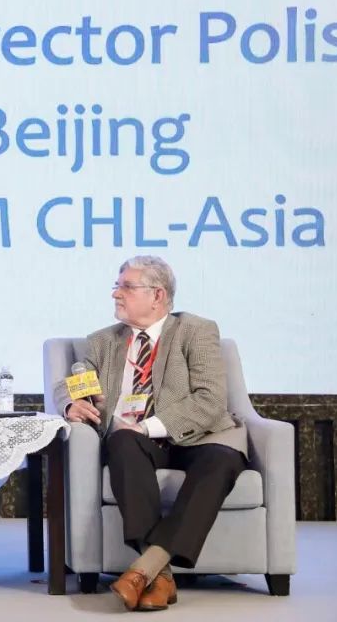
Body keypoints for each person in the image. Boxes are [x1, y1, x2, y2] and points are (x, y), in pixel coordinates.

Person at [53, 255, 247, 612]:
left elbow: (209, 400)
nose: (116, 294)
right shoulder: (103, 341)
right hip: (136, 440)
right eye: (117, 286)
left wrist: (147, 426)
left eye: (126, 287)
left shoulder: (196, 330)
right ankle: (159, 577)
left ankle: (144, 569)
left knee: (222, 461)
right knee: (122, 441)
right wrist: (70, 404)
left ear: (158, 295)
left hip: (200, 435)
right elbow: (70, 382)